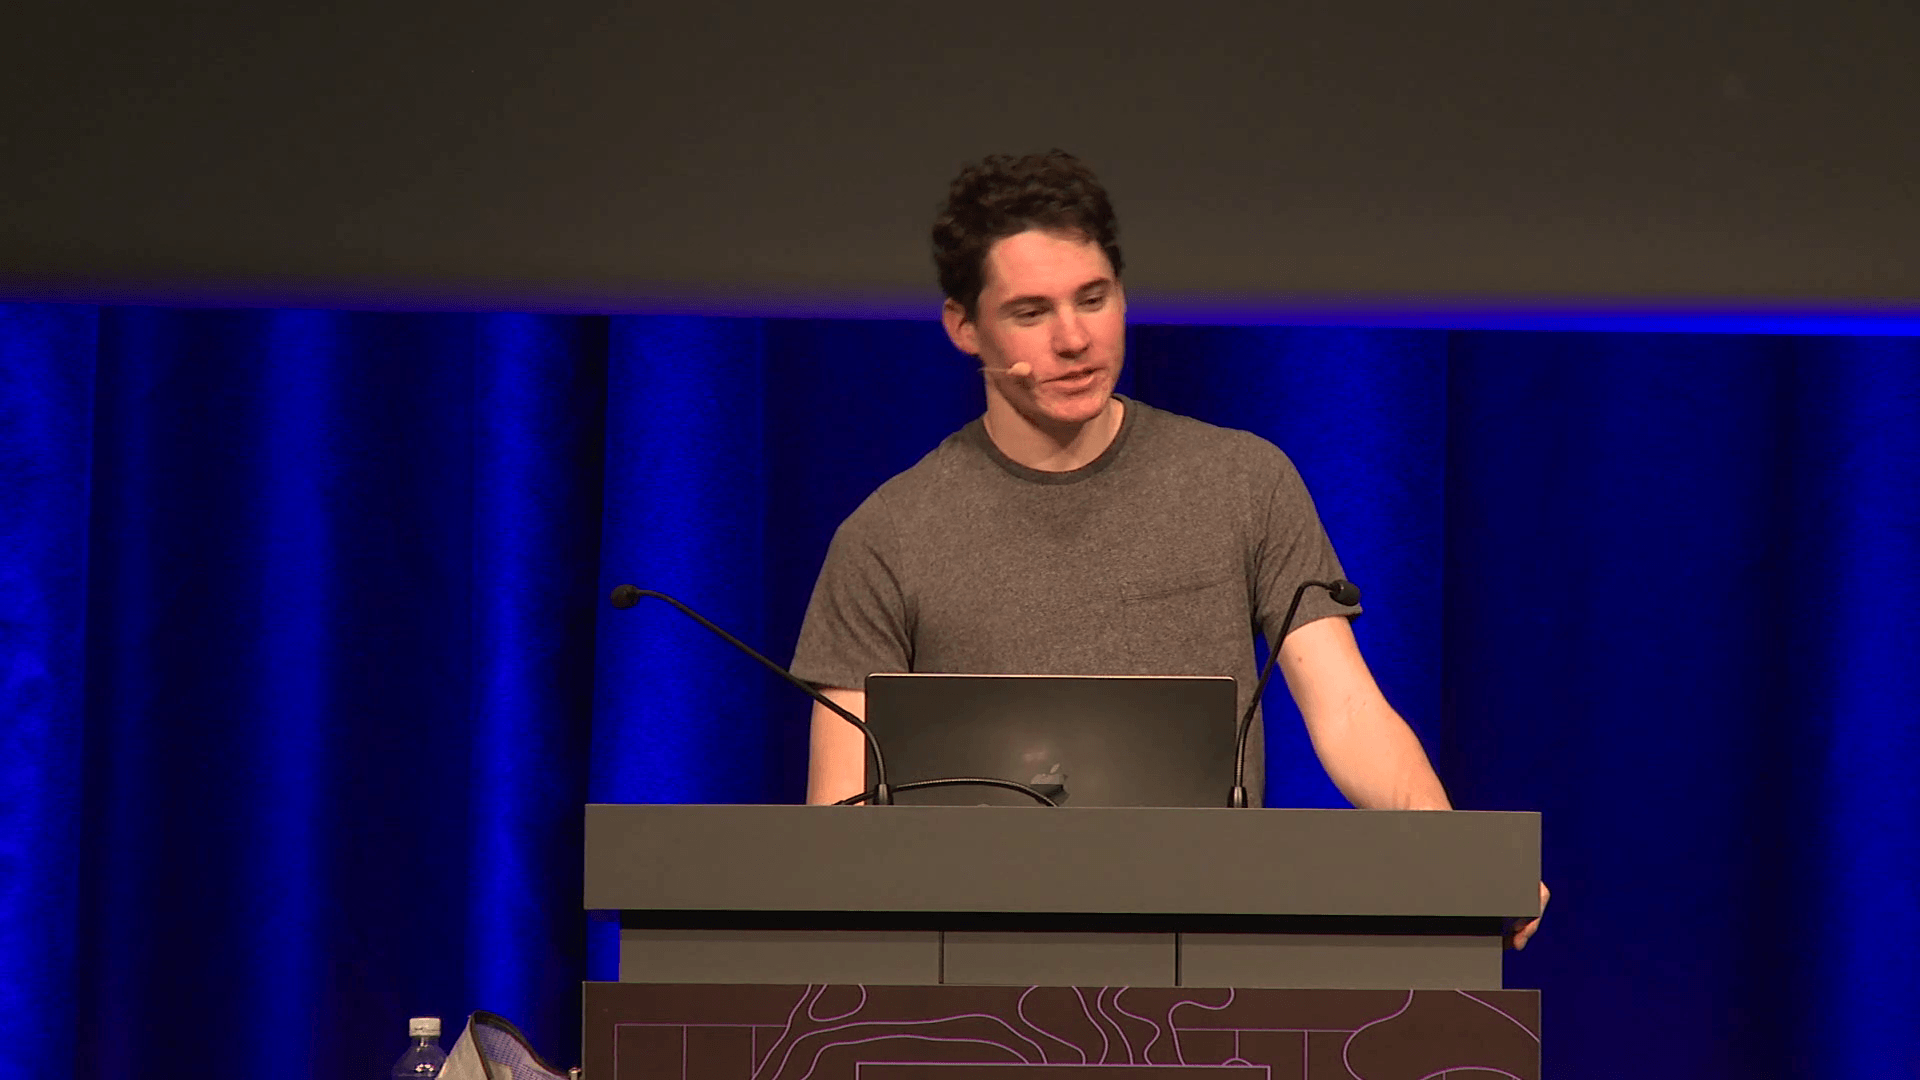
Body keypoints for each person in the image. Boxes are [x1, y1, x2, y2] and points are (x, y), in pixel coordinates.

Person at [789, 150, 1545, 947]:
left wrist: (1459, 863)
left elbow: (1348, 711)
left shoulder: (1244, 481)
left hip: (1211, 965)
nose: (1074, 339)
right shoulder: (886, 536)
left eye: (1094, 298)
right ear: (963, 327)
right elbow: (843, 818)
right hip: (972, 975)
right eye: (1031, 312)